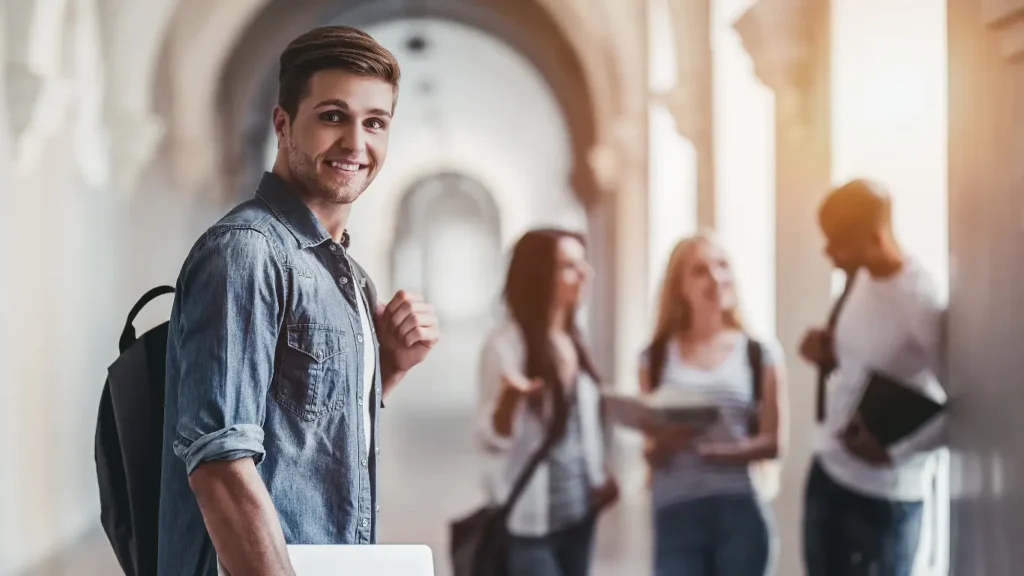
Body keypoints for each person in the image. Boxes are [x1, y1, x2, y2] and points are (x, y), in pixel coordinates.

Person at [157, 26, 441, 576]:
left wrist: (388, 367)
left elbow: (306, 428)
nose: (356, 143)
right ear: (283, 123)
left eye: (375, 122)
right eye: (333, 116)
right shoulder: (247, 253)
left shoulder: (347, 274)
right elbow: (220, 464)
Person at [799, 179, 947, 576]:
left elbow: (964, 409)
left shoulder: (922, 301)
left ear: (873, 237)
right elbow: (861, 363)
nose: (828, 252)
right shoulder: (857, 279)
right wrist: (828, 354)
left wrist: (894, 454)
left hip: (885, 499)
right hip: (829, 475)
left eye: (837, 242)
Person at [640, 232, 787, 576]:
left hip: (738, 511)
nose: (716, 278)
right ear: (680, 287)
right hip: (675, 510)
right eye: (700, 271)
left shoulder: (758, 353)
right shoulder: (656, 357)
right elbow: (650, 452)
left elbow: (774, 443)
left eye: (722, 266)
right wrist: (667, 441)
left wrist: (722, 453)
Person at [476, 228, 619, 576]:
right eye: (569, 266)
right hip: (529, 522)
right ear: (540, 276)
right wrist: (509, 402)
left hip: (580, 515)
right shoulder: (505, 345)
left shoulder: (573, 339)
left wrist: (599, 474)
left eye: (582, 262)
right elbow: (491, 438)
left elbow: (580, 426)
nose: (586, 272)